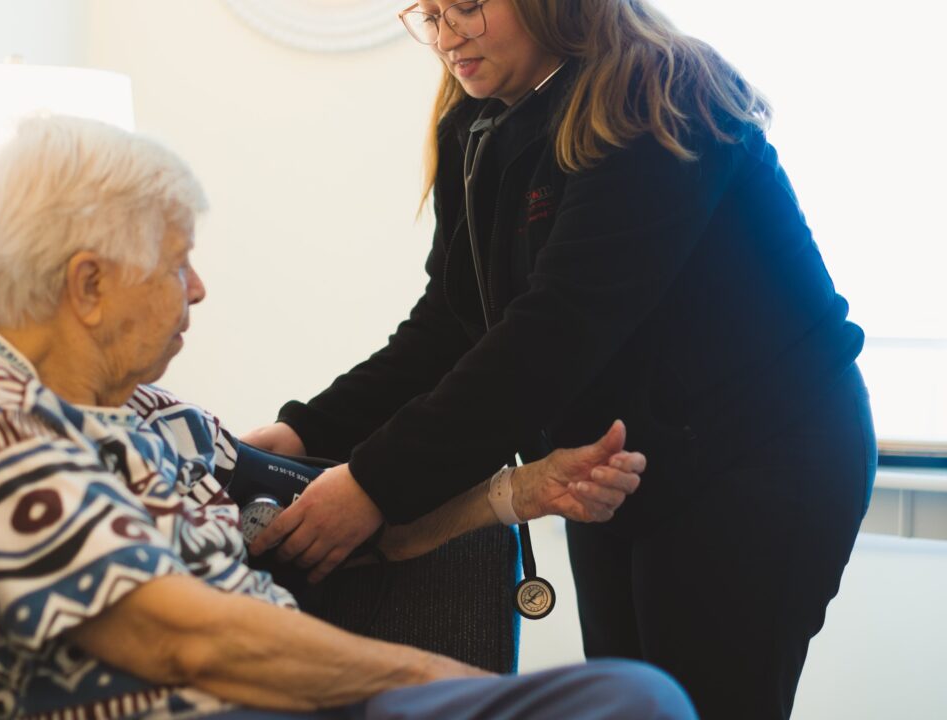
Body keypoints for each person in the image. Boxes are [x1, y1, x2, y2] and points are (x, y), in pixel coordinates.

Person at [243, 1, 877, 718]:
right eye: (430, 12)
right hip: (623, 462)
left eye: (470, 6)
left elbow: (556, 330)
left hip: (758, 455)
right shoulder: (479, 124)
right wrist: (304, 432)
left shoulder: (660, 88)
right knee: (632, 699)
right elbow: (451, 326)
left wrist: (373, 485)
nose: (447, 33)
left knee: (705, 701)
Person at [0, 115, 698, 719]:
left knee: (630, 695)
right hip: (236, 702)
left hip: (310, 698)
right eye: (177, 265)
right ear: (88, 285)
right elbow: (180, 637)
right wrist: (435, 677)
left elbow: (342, 527)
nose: (198, 291)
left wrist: (517, 494)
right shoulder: (7, 426)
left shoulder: (158, 417)